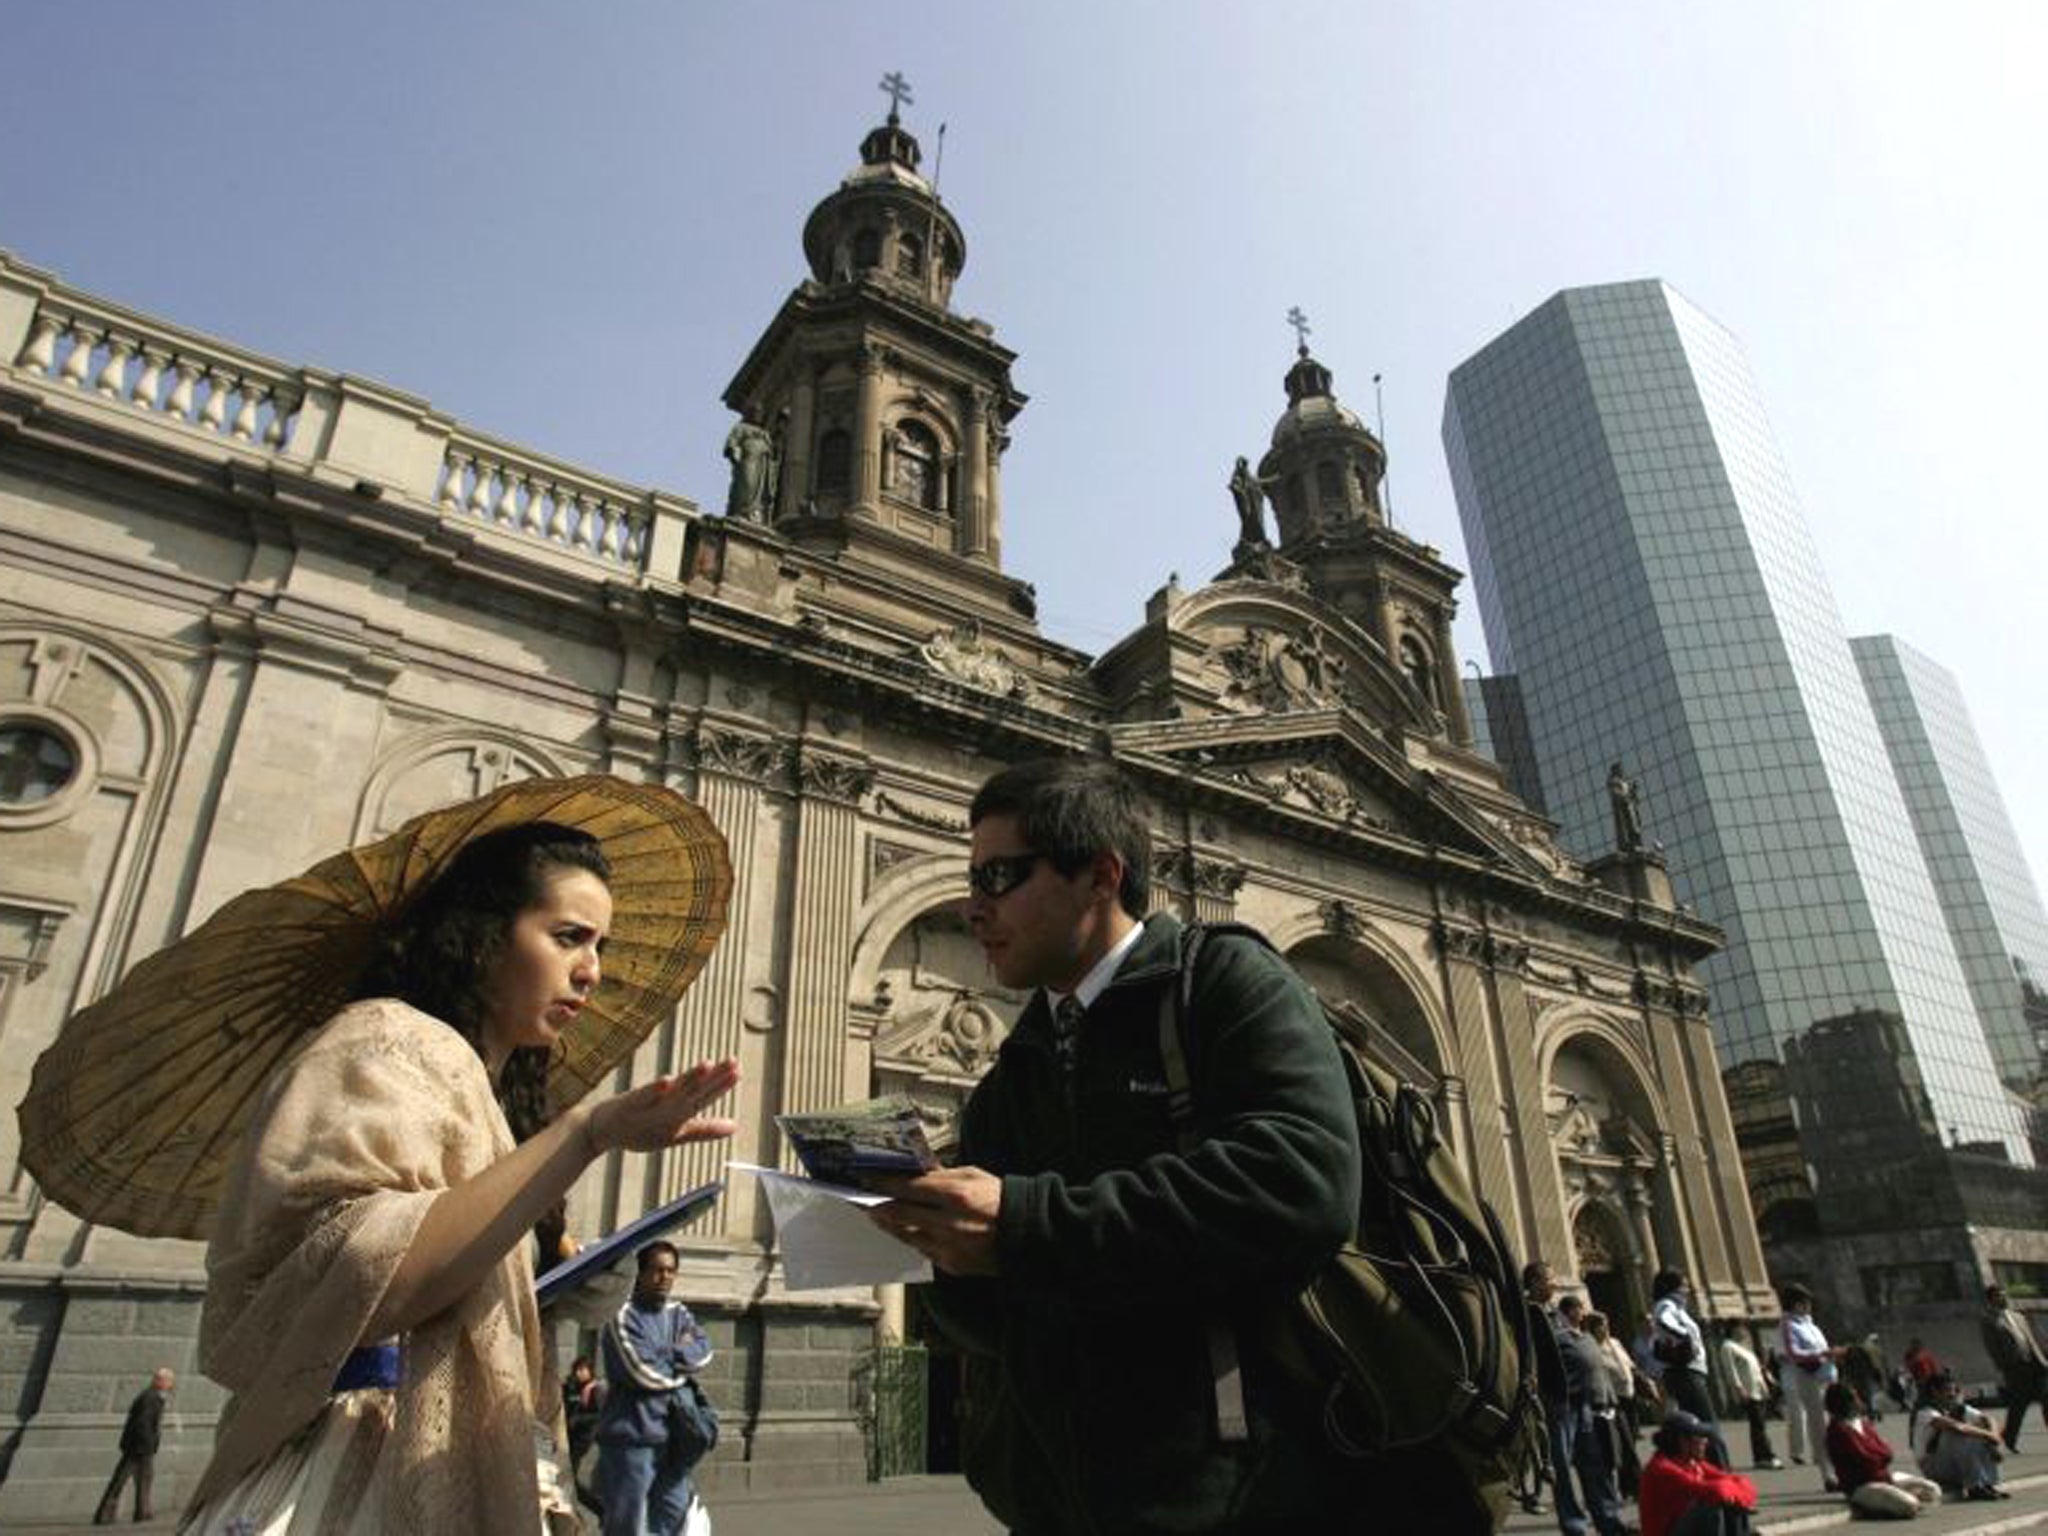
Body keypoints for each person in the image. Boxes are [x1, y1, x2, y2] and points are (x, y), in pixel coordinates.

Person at [179, 816, 742, 1532]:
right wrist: (585, 1133)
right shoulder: (382, 1040)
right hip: (354, 1471)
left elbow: (459, 1283)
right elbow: (367, 1274)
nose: (592, 970)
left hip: (459, 1462)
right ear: (481, 937)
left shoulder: (485, 1094)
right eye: (568, 937)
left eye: (602, 946)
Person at [867, 756, 1367, 1535]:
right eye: (971, 883)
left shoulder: (1226, 984)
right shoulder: (1015, 1072)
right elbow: (1008, 1317)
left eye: (998, 877)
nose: (973, 909)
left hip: (1240, 1498)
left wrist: (1021, 1222)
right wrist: (936, 1248)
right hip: (1060, 1507)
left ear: (1100, 877)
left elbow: (1303, 1184)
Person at [596, 1241, 718, 1536]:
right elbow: (643, 1373)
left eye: (671, 1271)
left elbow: (704, 1351)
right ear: (640, 1273)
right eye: (657, 1270)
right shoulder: (622, 1316)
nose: (664, 1277)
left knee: (674, 1523)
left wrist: (666, 1355)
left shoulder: (679, 1313)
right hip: (632, 1443)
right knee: (628, 1527)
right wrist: (681, 1362)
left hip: (676, 1440)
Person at [1556, 1294, 1629, 1536]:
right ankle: (1574, 1526)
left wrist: (1609, 1399)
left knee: (1595, 1466)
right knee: (1563, 1469)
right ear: (1569, 1311)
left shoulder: (1586, 1338)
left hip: (1589, 1408)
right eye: (1580, 1308)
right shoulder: (1557, 1334)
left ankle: (1609, 1520)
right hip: (1565, 1408)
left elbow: (1600, 1371)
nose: (1584, 1312)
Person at [1823, 1382, 1939, 1518]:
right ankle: (1875, 1506)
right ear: (1843, 1403)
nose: (1859, 1401)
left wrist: (1879, 1456)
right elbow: (1865, 1460)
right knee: (1909, 1505)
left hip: (1884, 1477)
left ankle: (1892, 1499)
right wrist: (1880, 1457)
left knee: (1933, 1490)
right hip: (1862, 1485)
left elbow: (1886, 1452)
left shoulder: (1862, 1424)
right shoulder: (1838, 1431)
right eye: (1854, 1398)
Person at [1637, 1411, 1756, 1536]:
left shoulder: (1692, 1463)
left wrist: (1735, 1495)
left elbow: (1745, 1483)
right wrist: (1733, 1493)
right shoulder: (1661, 1468)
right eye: (1699, 1437)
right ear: (1681, 1440)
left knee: (1732, 1502)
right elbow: (1715, 1491)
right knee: (1709, 1504)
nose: (1705, 1442)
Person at [1650, 1269, 1725, 1466]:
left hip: (1690, 1371)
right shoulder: (1666, 1305)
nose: (1687, 1289)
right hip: (1685, 1371)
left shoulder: (1677, 1307)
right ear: (1672, 1287)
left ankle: (1706, 1470)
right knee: (1707, 1425)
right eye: (1683, 1285)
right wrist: (1685, 1336)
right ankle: (1720, 1472)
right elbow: (1662, 1321)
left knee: (1698, 1425)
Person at [94, 1367, 173, 1525]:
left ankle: (142, 1511)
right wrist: (148, 1444)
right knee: (122, 1479)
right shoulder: (150, 1398)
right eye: (169, 1381)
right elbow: (143, 1424)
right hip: (139, 1448)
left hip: (140, 1447)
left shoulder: (152, 1396)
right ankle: (106, 1514)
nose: (170, 1385)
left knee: (144, 1478)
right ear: (160, 1381)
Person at [1910, 1372, 2006, 1501]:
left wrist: (1993, 1436)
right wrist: (1988, 1436)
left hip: (1950, 1462)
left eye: (1954, 1390)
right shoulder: (1925, 1412)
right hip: (1932, 1465)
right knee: (1961, 1434)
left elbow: (1987, 1418)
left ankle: (1986, 1484)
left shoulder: (1956, 1407)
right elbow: (1957, 1427)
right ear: (1934, 1391)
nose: (1952, 1394)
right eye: (1947, 1390)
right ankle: (1975, 1487)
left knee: (1981, 1429)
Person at [1775, 1283, 1837, 1484]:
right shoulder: (1788, 1325)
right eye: (1805, 1302)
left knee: (1832, 1425)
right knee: (1819, 1425)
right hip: (1808, 1379)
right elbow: (1794, 1354)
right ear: (1795, 1304)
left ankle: (1838, 1467)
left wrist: (1831, 1356)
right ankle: (1828, 1473)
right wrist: (1822, 1354)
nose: (1809, 1306)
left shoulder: (1810, 1324)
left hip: (1826, 1377)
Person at [1980, 1282, 2048, 1452]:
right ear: (1990, 1300)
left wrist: (2042, 1359)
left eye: (2004, 1294)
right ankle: (2009, 1435)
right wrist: (2005, 1367)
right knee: (2019, 1405)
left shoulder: (2018, 1316)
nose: (2003, 1297)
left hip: (2036, 1364)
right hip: (2016, 1368)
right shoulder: (1988, 1320)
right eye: (1998, 1295)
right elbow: (1992, 1347)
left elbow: (2031, 1340)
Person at [1588, 1311, 1646, 1498]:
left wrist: (1643, 1384)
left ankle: (1626, 1484)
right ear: (1593, 1328)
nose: (1605, 1328)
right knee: (1625, 1443)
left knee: (1630, 1441)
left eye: (1606, 1324)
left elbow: (1630, 1366)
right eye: (1601, 1325)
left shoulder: (1615, 1343)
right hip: (1614, 1400)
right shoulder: (1593, 1349)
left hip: (1630, 1397)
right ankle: (1638, 1486)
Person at [1714, 1324, 1782, 1470]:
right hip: (1747, 1391)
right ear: (1732, 1330)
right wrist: (1739, 1388)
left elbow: (1756, 1370)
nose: (1744, 1332)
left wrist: (1765, 1386)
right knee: (1758, 1424)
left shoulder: (1744, 1348)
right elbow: (1730, 1370)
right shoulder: (1728, 1347)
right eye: (1740, 1329)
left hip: (1758, 1390)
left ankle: (1760, 1456)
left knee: (1758, 1425)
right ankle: (1767, 1455)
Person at [563, 1355, 604, 1516]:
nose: (579, 1373)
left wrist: (577, 1420)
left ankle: (600, 1509)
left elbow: (599, 1415)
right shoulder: (573, 1387)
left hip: (582, 1439)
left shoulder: (595, 1389)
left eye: (582, 1369)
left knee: (570, 1479)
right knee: (569, 1478)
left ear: (590, 1371)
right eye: (576, 1370)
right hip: (569, 1437)